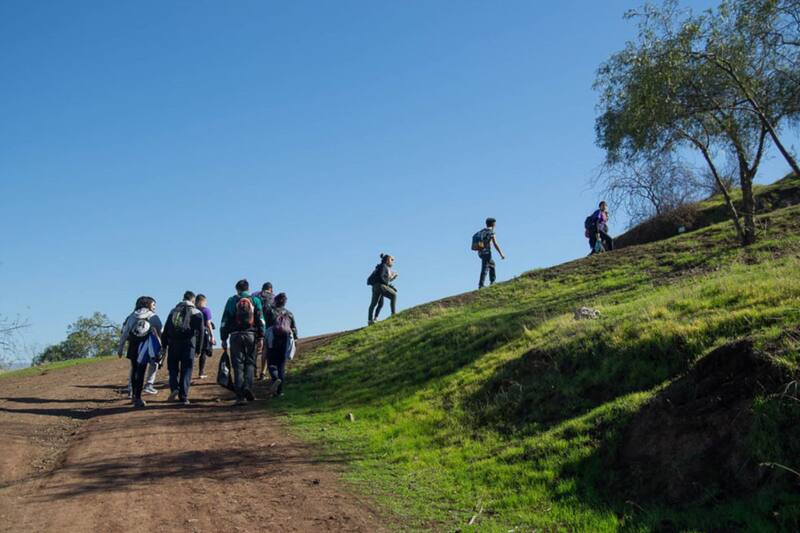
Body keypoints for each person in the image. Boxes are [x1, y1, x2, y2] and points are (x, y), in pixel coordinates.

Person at [220, 279, 266, 406]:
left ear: (237, 289)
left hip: (235, 336)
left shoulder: (231, 301)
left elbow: (224, 320)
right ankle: (248, 387)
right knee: (250, 363)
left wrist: (223, 338)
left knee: (238, 365)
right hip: (251, 335)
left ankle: (240, 396)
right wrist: (261, 337)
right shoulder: (255, 300)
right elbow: (261, 320)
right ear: (248, 288)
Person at [117, 296, 163, 408]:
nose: (154, 307)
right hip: (145, 346)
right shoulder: (152, 316)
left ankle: (132, 393)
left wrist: (120, 347)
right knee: (141, 371)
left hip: (133, 345)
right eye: (153, 305)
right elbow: (160, 330)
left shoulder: (132, 315)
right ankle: (138, 398)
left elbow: (125, 332)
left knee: (134, 370)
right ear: (148, 305)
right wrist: (161, 347)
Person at [161, 291, 205, 405]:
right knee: (187, 369)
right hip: (188, 343)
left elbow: (166, 329)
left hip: (173, 343)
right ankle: (183, 396)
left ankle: (174, 387)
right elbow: (200, 332)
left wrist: (164, 345)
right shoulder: (196, 312)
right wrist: (199, 349)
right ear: (193, 300)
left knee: (173, 368)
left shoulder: (173, 311)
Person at [265, 292, 298, 398]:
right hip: (285, 341)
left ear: (276, 300)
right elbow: (294, 328)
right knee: (281, 366)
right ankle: (279, 392)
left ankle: (275, 379)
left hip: (273, 340)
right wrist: (295, 340)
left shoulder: (271, 311)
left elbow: (266, 323)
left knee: (271, 364)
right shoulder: (289, 313)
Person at [367, 254, 398, 325]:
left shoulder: (379, 267)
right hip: (380, 286)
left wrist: (389, 282)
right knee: (394, 295)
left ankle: (370, 320)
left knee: (374, 304)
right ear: (387, 260)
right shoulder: (384, 266)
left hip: (374, 287)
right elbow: (382, 278)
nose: (392, 262)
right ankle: (393, 314)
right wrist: (391, 277)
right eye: (391, 260)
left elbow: (381, 278)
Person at [253, 282, 275, 381]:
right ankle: (262, 372)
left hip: (253, 326)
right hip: (267, 327)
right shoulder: (273, 297)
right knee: (265, 349)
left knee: (253, 349)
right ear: (270, 289)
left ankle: (252, 371)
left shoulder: (254, 295)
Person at [476, 217, 506, 289]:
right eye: (495, 223)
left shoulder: (482, 231)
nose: (495, 225)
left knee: (492, 264)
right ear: (493, 224)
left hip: (480, 252)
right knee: (485, 268)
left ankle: (492, 281)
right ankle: (481, 285)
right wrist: (501, 254)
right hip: (486, 253)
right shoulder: (491, 232)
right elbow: (495, 244)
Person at [195, 294, 215, 379]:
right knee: (203, 352)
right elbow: (208, 323)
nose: (205, 304)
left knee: (192, 353)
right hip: (203, 333)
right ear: (201, 301)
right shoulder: (206, 310)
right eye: (205, 302)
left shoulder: (193, 310)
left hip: (193, 334)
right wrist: (212, 336)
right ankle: (201, 372)